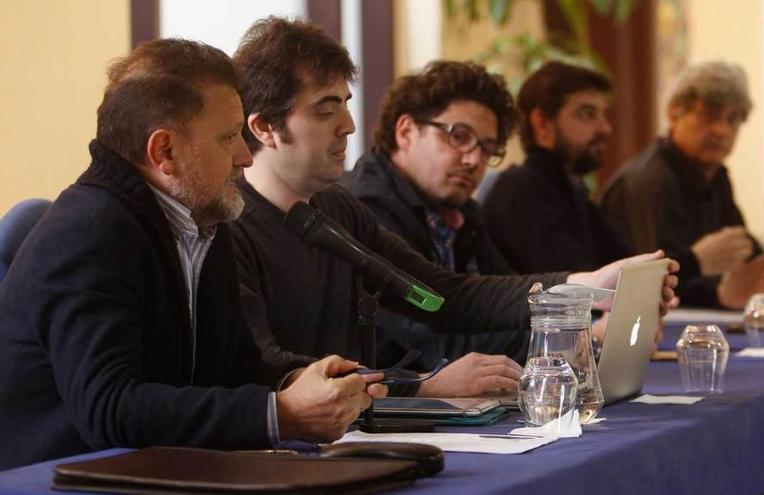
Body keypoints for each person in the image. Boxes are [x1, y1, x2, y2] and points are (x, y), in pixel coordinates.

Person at [229, 18, 679, 399]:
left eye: (345, 106)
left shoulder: (337, 210)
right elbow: (269, 370)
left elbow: (446, 297)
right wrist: (421, 385)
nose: (348, 125)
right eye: (326, 111)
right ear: (266, 126)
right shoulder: (229, 225)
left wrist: (583, 285)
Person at [0, 39, 383, 470]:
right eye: (227, 138)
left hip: (157, 470)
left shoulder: (202, 217)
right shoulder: (88, 232)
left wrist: (301, 380)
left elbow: (232, 369)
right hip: (55, 478)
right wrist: (283, 414)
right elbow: (110, 409)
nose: (243, 156)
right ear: (164, 152)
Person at [341, 60, 530, 371]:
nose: (473, 159)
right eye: (459, 136)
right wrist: (571, 338)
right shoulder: (364, 208)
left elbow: (503, 304)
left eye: (486, 149)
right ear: (406, 132)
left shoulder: (464, 214)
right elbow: (433, 345)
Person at [600, 61, 764, 309]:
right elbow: (657, 283)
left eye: (733, 120)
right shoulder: (650, 181)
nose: (722, 131)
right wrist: (716, 281)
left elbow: (747, 259)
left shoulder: (716, 176)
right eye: (710, 116)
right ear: (674, 112)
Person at [481, 62, 633, 275]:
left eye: (602, 115)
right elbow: (577, 287)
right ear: (542, 123)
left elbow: (628, 266)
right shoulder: (520, 192)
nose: (605, 128)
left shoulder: (573, 190)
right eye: (587, 114)